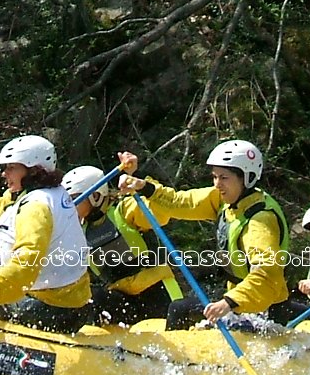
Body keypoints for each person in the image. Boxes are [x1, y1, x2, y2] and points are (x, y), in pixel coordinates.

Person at [119, 140, 290, 330]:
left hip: (263, 308)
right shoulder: (224, 201)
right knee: (181, 308)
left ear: (246, 178)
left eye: (224, 178)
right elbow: (179, 202)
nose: (217, 184)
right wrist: (143, 185)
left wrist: (229, 302)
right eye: (215, 177)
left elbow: (266, 275)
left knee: (180, 309)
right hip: (241, 304)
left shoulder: (260, 221)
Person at [0, 135, 93, 334]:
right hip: (71, 301)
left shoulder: (36, 207)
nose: (5, 174)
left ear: (33, 169)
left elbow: (27, 262)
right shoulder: (51, 193)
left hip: (51, 308)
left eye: (11, 168)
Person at [61, 157, 183, 326]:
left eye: (74, 199)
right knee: (91, 297)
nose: (70, 206)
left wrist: (138, 180)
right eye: (66, 201)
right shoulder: (79, 232)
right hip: (122, 298)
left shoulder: (124, 211)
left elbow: (159, 213)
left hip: (156, 291)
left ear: (95, 196)